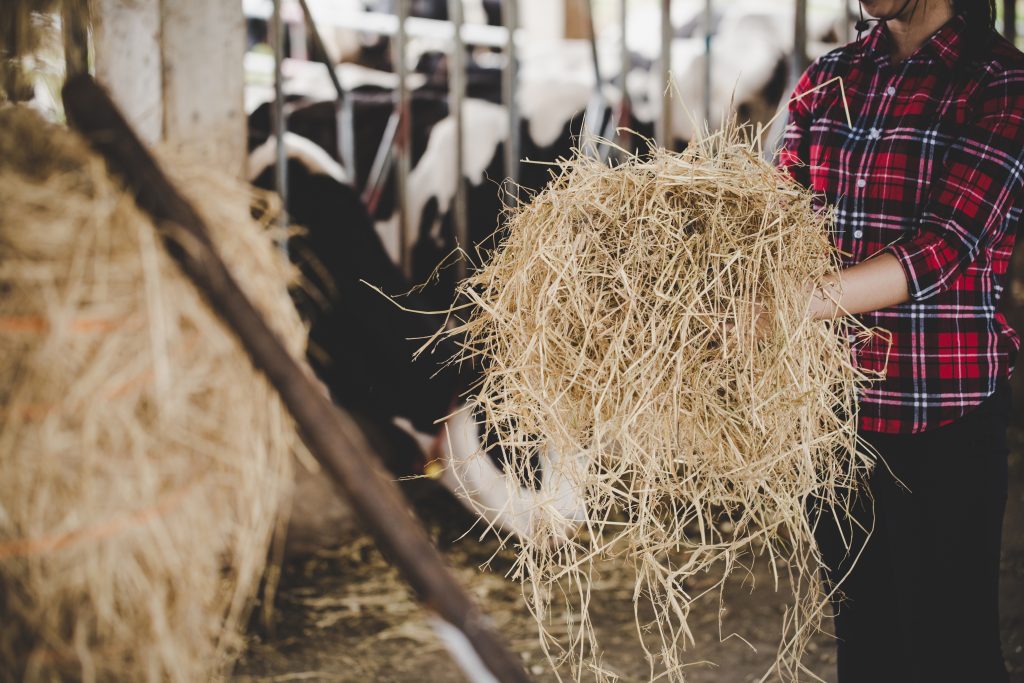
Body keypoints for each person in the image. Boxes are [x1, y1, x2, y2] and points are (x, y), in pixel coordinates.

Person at [779, 1, 1023, 680]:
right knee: (867, 646)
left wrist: (791, 307)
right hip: (836, 422)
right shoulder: (829, 77)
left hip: (942, 417)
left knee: (952, 653)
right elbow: (779, 218)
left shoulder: (999, 82)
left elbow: (945, 244)